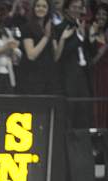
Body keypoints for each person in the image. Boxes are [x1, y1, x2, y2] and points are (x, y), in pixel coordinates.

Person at [53, 0, 92, 128]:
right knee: (70, 110)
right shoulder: (59, 28)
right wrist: (79, 38)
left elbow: (87, 50)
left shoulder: (83, 26)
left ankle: (82, 144)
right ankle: (67, 145)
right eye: (74, 7)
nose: (77, 10)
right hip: (69, 74)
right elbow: (62, 53)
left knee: (84, 109)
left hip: (83, 74)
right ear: (67, 9)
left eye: (79, 8)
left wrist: (87, 39)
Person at [17, 0, 59, 93]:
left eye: (44, 6)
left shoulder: (51, 28)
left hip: (48, 76)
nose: (41, 8)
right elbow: (31, 55)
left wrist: (63, 39)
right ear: (33, 8)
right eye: (38, 6)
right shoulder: (27, 27)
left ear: (48, 10)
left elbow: (56, 56)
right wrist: (46, 37)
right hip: (31, 77)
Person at [89, 3, 108, 127]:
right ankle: (98, 133)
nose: (101, 17)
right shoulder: (90, 31)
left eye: (104, 14)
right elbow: (91, 61)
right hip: (97, 74)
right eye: (99, 14)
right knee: (98, 103)